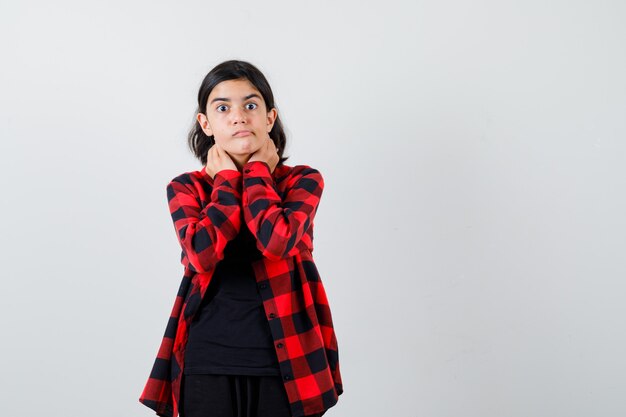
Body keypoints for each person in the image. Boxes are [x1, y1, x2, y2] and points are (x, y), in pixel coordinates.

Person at [139, 60, 343, 417]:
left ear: (269, 118)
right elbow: (202, 256)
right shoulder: (186, 187)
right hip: (206, 359)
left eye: (251, 105)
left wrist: (258, 173)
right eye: (223, 107)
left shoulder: (302, 181)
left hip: (287, 363)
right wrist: (226, 183)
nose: (238, 117)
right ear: (206, 123)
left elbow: (276, 242)